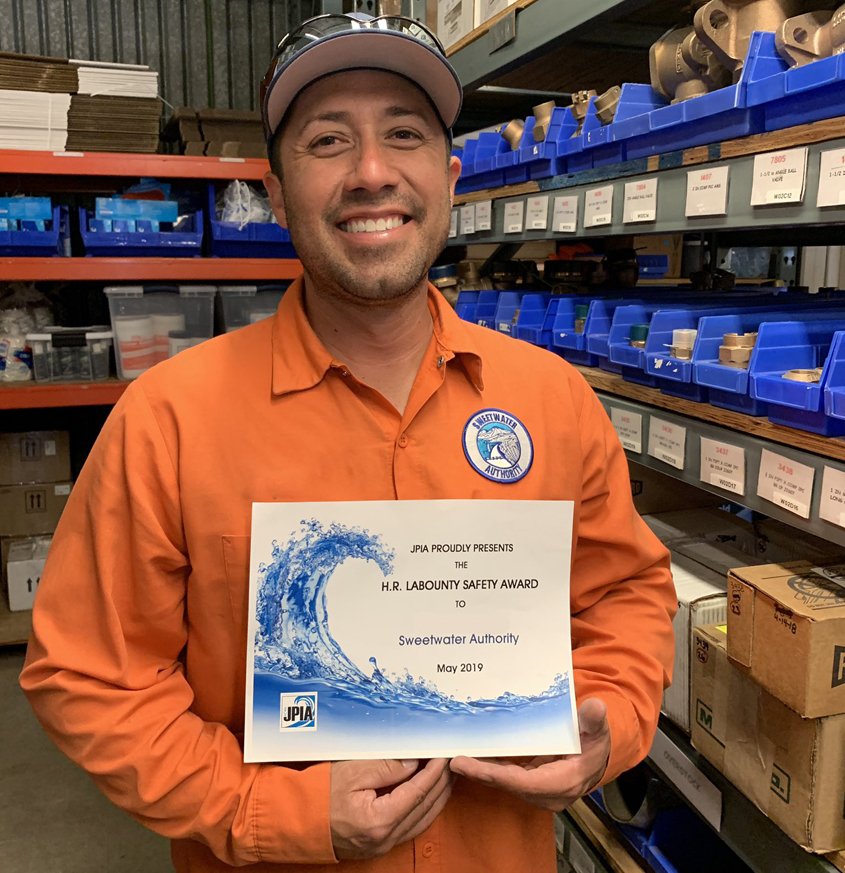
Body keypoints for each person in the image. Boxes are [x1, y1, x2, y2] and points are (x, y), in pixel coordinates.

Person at [21, 13, 675, 873]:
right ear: (278, 191)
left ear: (447, 178)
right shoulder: (168, 420)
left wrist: (610, 721)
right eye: (328, 140)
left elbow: (623, 593)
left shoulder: (550, 400)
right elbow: (90, 679)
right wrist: (269, 807)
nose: (371, 172)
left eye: (402, 134)